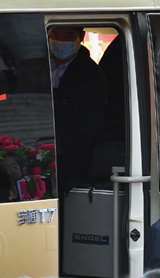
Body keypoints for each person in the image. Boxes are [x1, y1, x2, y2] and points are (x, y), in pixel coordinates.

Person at [48, 27, 107, 192]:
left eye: (68, 36)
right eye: (55, 35)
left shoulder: (90, 74)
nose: (60, 42)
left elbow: (92, 122)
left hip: (73, 155)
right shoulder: (39, 66)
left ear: (80, 38)